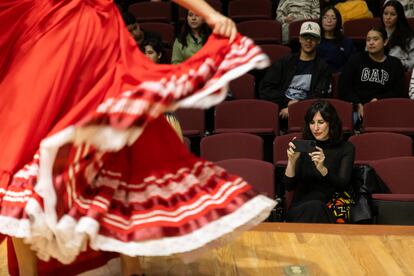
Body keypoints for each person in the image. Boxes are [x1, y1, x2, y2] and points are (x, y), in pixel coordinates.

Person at [0, 0, 276, 275]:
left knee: (120, 153)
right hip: (44, 38)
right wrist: (209, 13)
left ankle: (130, 267)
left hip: (91, 41)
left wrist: (210, 13)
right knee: (23, 154)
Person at [283, 100, 355, 223]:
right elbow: (289, 186)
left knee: (316, 207)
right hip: (300, 208)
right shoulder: (304, 147)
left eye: (321, 122)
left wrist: (323, 169)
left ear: (331, 123)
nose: (316, 128)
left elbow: (343, 185)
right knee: (314, 207)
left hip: (330, 207)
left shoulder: (346, 148)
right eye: (312, 123)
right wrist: (292, 161)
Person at [259, 21, 332, 120]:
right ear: (300, 39)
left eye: (313, 37)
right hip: (280, 109)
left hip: (310, 112)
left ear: (318, 41)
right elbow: (266, 88)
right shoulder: (284, 62)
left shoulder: (323, 67)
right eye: (305, 37)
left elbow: (320, 95)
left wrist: (297, 106)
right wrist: (287, 103)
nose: (308, 41)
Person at [339, 27, 405, 123]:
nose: (371, 43)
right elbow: (344, 87)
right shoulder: (356, 59)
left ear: (385, 42)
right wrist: (357, 105)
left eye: (375, 39)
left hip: (385, 108)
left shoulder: (395, 63)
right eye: (368, 39)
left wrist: (379, 100)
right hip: (357, 109)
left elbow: (398, 91)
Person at [317, 6, 356, 72]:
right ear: (321, 20)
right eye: (325, 17)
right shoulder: (315, 40)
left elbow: (352, 63)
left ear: (338, 21)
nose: (329, 20)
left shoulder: (346, 42)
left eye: (333, 18)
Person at [382, 0, 414, 71]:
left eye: (392, 14)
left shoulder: (408, 37)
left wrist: (401, 64)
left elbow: (412, 61)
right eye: (385, 13)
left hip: (398, 73)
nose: (388, 17)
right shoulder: (376, 33)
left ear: (399, 16)